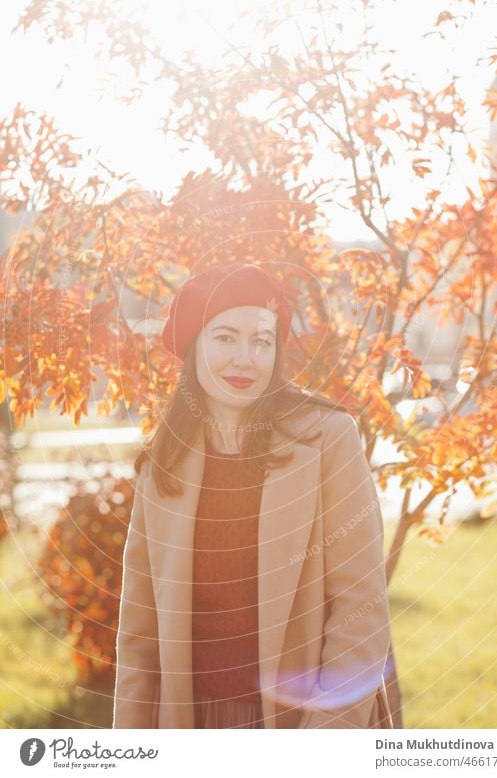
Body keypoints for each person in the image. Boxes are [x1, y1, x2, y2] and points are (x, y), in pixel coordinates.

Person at [113, 262, 393, 729]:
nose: (245, 358)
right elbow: (138, 635)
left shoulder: (327, 439)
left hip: (303, 724)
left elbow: (361, 606)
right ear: (193, 346)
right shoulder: (164, 459)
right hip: (190, 723)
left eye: (262, 341)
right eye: (225, 337)